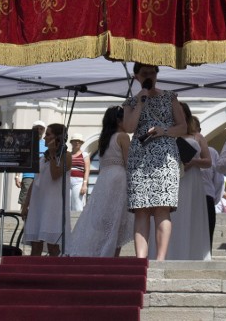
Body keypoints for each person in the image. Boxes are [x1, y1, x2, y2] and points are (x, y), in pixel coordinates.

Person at [123, 62, 187, 261]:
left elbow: (183, 127)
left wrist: (164, 131)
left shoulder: (170, 97)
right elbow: (129, 127)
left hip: (165, 157)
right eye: (145, 73)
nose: (150, 75)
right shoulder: (130, 102)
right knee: (141, 209)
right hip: (139, 157)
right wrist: (140, 102)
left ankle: (160, 259)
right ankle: (141, 259)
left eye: (153, 72)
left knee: (162, 207)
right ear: (137, 77)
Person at [68, 106, 133, 257]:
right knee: (117, 219)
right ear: (118, 120)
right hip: (119, 178)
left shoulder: (104, 139)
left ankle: (104, 252)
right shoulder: (122, 136)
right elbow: (129, 162)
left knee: (107, 219)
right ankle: (112, 254)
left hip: (104, 179)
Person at [162, 107, 211, 260]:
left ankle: (192, 254)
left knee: (191, 215)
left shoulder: (197, 137)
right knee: (172, 216)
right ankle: (170, 253)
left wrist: (194, 161)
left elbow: (208, 161)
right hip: (171, 179)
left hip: (192, 179)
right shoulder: (167, 135)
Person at [21, 122, 72, 256]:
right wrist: (26, 204)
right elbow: (34, 182)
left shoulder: (66, 156)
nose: (44, 138)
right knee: (35, 245)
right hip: (39, 204)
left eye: (48, 135)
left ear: (58, 137)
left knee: (53, 245)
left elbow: (55, 175)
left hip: (54, 205)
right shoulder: (43, 158)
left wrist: (54, 152)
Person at [14, 120, 46, 205]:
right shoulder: (26, 143)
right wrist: (17, 176)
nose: (39, 130)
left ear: (44, 130)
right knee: (25, 201)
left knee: (40, 201)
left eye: (41, 129)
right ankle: (23, 218)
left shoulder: (47, 144)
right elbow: (21, 159)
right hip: (28, 175)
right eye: (36, 128)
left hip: (42, 176)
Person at [68, 133, 90, 211]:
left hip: (78, 181)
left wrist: (84, 184)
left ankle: (78, 223)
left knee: (77, 205)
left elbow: (87, 170)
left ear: (81, 143)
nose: (77, 142)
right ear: (71, 142)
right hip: (67, 181)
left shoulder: (84, 155)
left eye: (79, 141)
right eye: (75, 141)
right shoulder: (67, 155)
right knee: (67, 205)